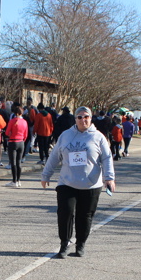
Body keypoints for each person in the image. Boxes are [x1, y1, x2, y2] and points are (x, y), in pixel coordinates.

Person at [41, 106, 115, 258]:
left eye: (86, 117)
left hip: (90, 184)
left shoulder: (98, 137)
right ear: (75, 119)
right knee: (65, 213)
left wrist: (109, 178)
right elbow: (54, 156)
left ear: (91, 118)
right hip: (67, 182)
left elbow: (107, 158)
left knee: (85, 216)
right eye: (79, 117)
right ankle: (64, 243)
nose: (83, 120)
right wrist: (46, 175)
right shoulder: (66, 135)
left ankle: (80, 243)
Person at [4, 104, 27, 187]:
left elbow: (7, 132)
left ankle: (14, 181)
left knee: (13, 162)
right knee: (19, 162)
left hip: (13, 141)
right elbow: (26, 134)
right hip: (21, 142)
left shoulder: (12, 121)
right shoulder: (24, 122)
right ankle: (18, 180)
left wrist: (10, 134)